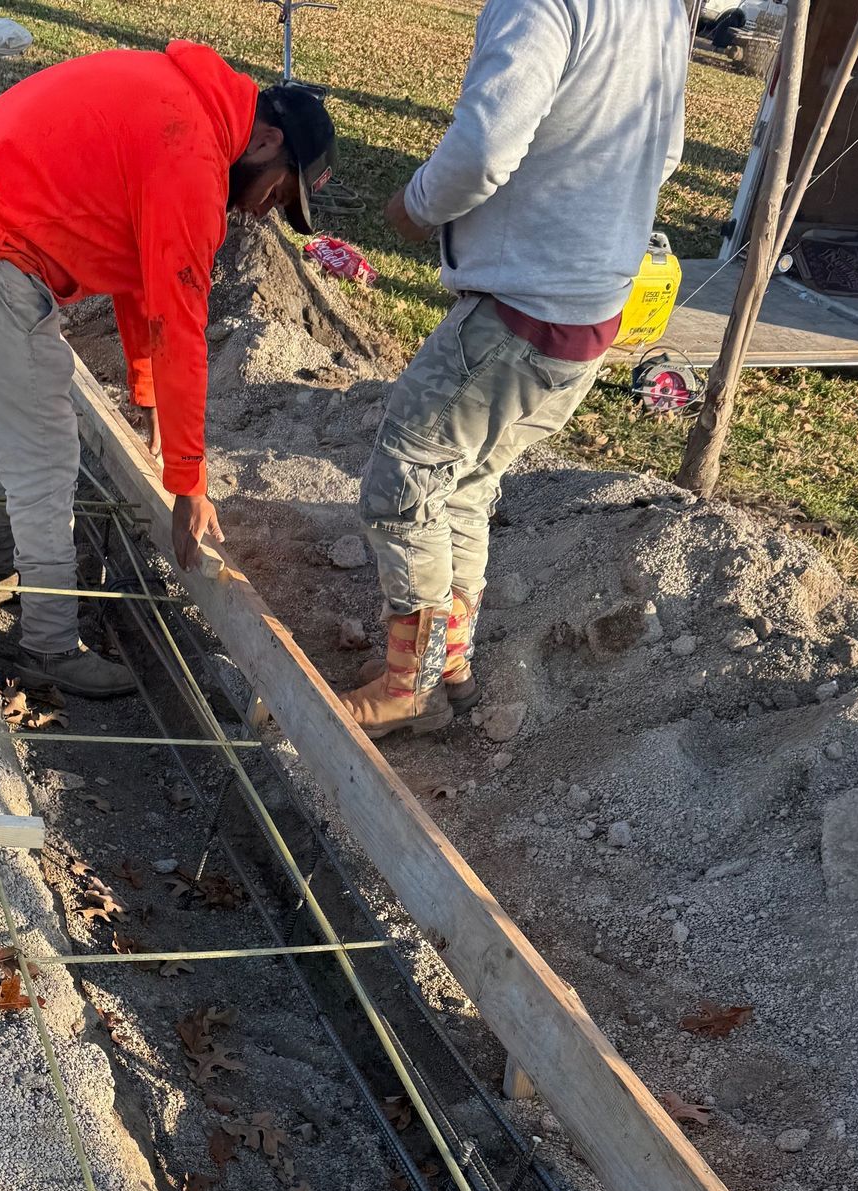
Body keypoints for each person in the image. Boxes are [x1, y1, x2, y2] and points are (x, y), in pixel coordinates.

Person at [0, 44, 334, 699]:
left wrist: (149, 401)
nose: (262, 211)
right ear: (266, 139)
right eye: (277, 191)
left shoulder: (184, 110)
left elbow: (142, 284)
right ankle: (48, 645)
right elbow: (179, 323)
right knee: (45, 451)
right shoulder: (189, 159)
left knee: (9, 415)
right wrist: (188, 482)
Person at [345, 0, 690, 739]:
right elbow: (663, 154)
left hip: (519, 306)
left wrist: (416, 204)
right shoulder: (659, 9)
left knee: (401, 487)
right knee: (464, 486)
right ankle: (450, 666)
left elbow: (483, 148)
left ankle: (412, 684)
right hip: (589, 311)